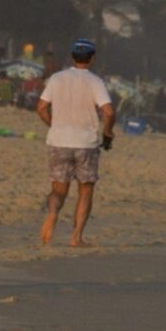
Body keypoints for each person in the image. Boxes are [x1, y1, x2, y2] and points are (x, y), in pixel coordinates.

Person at [36, 38, 115, 247]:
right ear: (92, 58)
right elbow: (109, 111)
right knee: (86, 190)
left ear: (72, 57)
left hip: (59, 141)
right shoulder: (95, 82)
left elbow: (41, 107)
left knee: (58, 190)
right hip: (86, 143)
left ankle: (52, 214)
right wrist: (108, 132)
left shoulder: (57, 78)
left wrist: (54, 125)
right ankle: (76, 237)